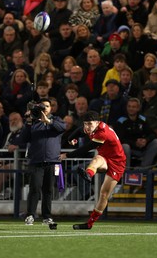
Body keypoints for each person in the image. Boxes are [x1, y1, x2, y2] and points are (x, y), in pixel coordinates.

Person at [60, 110, 126, 230]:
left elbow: (86, 148)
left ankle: (89, 223)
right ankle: (89, 174)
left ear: (97, 122)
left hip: (117, 162)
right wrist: (71, 139)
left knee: (104, 194)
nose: (87, 127)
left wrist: (67, 155)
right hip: (105, 157)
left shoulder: (102, 133)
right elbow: (79, 130)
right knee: (97, 159)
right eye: (86, 123)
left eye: (89, 124)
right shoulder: (91, 127)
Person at [20, 98, 66, 226]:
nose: (45, 108)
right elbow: (23, 138)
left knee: (48, 190)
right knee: (34, 188)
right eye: (42, 106)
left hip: (52, 161)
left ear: (51, 108)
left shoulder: (56, 120)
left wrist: (49, 121)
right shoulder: (33, 122)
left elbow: (63, 127)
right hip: (36, 161)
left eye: (47, 106)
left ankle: (47, 217)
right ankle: (30, 215)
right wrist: (28, 122)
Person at [115, 98, 157, 168]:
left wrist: (146, 140)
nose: (131, 109)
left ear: (138, 108)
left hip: (142, 147)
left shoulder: (143, 119)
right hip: (129, 148)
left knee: (156, 142)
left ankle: (143, 168)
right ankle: (126, 170)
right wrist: (134, 143)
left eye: (133, 107)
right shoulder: (121, 121)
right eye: (129, 106)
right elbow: (119, 138)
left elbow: (152, 134)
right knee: (125, 146)